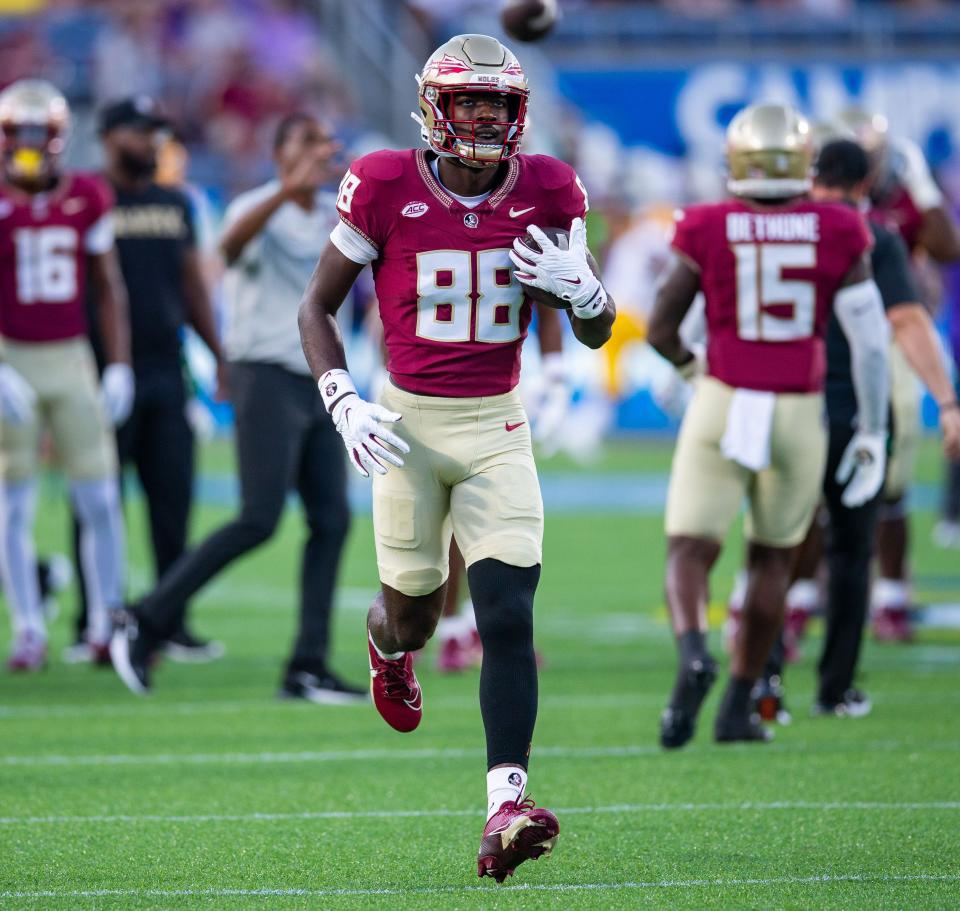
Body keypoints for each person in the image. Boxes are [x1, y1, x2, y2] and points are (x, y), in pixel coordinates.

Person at [294, 34, 610, 882]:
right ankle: (386, 649)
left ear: (518, 114)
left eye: (497, 104)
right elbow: (317, 306)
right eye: (467, 101)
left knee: (508, 613)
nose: (481, 116)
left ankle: (505, 802)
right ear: (435, 106)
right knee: (415, 616)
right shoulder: (387, 181)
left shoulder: (548, 187)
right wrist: (343, 398)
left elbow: (592, 322)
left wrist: (590, 296)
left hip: (497, 422)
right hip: (405, 421)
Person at [647, 103, 890, 748]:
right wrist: (872, 429)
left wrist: (697, 372)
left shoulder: (707, 223)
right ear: (801, 162)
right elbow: (869, 343)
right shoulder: (838, 227)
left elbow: (661, 328)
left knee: (690, 548)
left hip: (725, 396)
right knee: (773, 560)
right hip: (799, 408)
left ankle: (695, 652)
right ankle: (737, 702)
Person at [110, 112, 365, 704]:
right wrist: (286, 188)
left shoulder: (338, 215)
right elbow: (228, 248)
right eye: (303, 142)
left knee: (332, 519)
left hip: (321, 380)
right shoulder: (255, 205)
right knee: (259, 516)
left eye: (321, 143)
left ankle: (307, 664)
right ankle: (146, 619)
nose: (316, 154)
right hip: (265, 375)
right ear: (278, 154)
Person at [753, 139, 960, 719]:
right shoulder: (874, 234)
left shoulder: (772, 226)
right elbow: (908, 319)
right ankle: (835, 687)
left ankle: (762, 680)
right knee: (850, 551)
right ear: (867, 183)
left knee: (774, 547)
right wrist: (946, 400)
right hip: (856, 412)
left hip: (783, 405)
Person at [67, 97, 228, 665]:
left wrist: (218, 354)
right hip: (99, 371)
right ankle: (93, 619)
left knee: (173, 501)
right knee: (96, 501)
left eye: (158, 131)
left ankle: (168, 620)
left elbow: (191, 287)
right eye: (141, 132)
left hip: (166, 371)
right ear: (109, 136)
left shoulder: (175, 202)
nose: (153, 141)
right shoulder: (84, 197)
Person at [0, 79, 132, 669]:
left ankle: (108, 620)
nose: (27, 145)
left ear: (57, 138)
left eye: (37, 133)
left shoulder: (87, 195)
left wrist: (119, 364)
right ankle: (28, 627)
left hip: (71, 355)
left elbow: (108, 288)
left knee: (100, 496)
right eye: (17, 133)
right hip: (9, 357)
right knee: (13, 505)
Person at [840, 108, 960, 641]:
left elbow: (946, 248)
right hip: (829, 337)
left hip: (893, 332)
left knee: (896, 463)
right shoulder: (817, 195)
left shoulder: (901, 193)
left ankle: (889, 592)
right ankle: (802, 592)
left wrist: (923, 191)